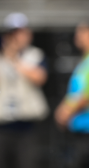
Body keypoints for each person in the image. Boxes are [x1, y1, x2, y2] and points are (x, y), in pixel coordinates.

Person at [0, 13, 49, 168]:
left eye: (21, 33)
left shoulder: (35, 55)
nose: (17, 38)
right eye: (12, 34)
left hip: (26, 126)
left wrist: (15, 57)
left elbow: (39, 78)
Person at [55, 21, 89, 167]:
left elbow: (85, 95)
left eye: (80, 32)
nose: (77, 36)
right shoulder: (84, 62)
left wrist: (66, 111)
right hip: (79, 132)